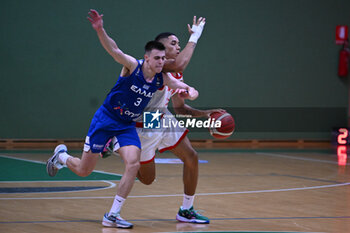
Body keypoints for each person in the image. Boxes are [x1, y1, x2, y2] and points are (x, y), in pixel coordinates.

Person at [46, 9, 198, 229]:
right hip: (106, 120)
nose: (161, 62)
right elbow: (113, 49)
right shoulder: (132, 66)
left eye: (163, 59)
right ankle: (61, 157)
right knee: (84, 170)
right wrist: (100, 30)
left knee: (133, 163)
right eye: (157, 58)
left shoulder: (161, 78)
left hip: (127, 125)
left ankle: (112, 215)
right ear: (147, 58)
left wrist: (191, 92)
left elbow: (183, 87)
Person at [103, 26, 225, 224]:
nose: (178, 47)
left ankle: (186, 209)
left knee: (191, 157)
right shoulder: (161, 65)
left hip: (162, 115)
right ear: (160, 50)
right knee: (147, 179)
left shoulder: (175, 73)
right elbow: (179, 64)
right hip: (145, 121)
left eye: (179, 43)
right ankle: (116, 143)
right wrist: (195, 36)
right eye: (173, 44)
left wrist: (206, 115)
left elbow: (181, 109)